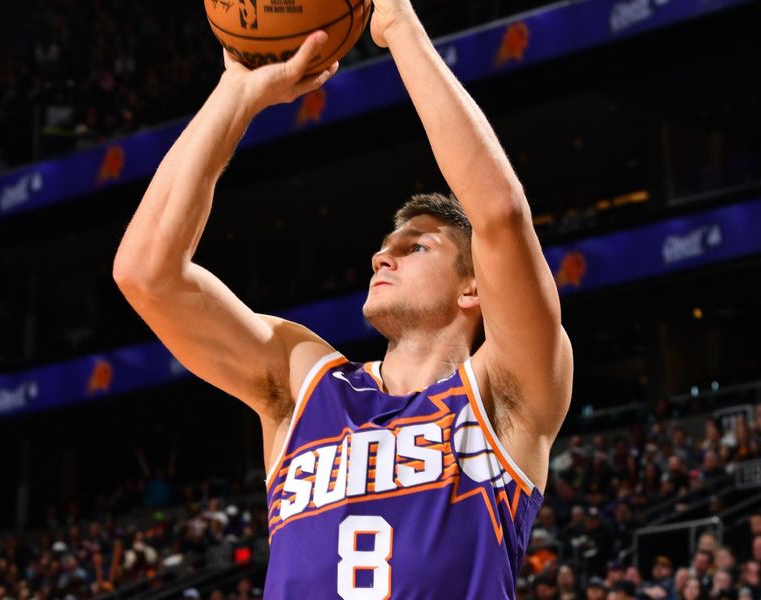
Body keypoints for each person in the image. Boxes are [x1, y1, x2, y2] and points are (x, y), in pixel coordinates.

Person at [112, 0, 573, 596]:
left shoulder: (504, 395)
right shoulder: (307, 385)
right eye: (386, 245)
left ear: (474, 285)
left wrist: (399, 28)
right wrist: (236, 93)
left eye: (417, 248)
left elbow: (501, 214)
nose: (384, 256)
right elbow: (145, 274)